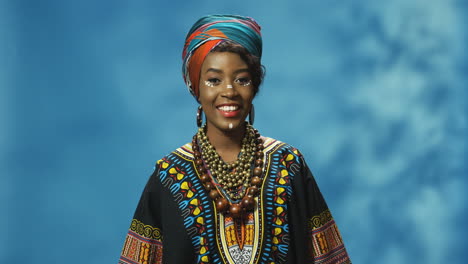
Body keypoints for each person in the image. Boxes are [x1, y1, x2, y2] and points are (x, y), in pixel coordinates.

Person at [119, 14, 351, 264]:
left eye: (241, 79)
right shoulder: (168, 175)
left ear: (255, 87)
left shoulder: (288, 164)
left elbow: (330, 258)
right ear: (195, 87)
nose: (229, 91)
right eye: (214, 80)